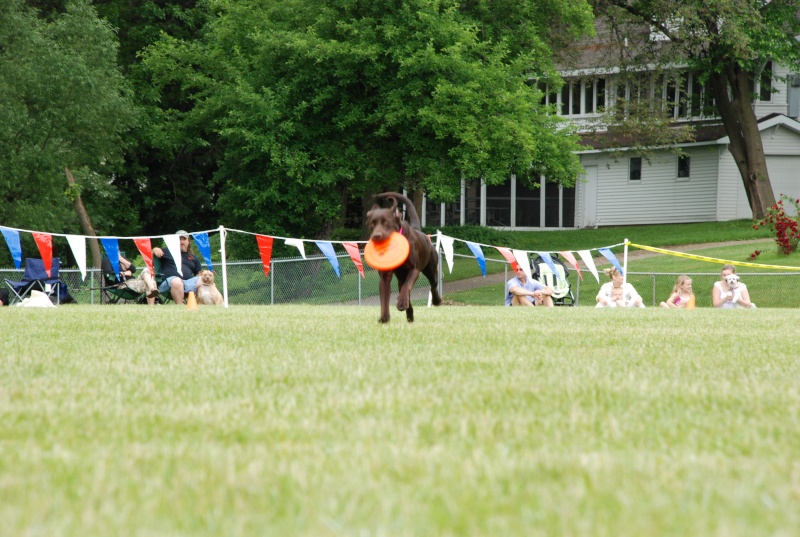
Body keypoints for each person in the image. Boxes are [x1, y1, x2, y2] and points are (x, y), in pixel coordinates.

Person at [152, 230, 202, 305]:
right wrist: (155, 249)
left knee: (204, 280)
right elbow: (149, 255)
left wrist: (204, 276)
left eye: (184, 239)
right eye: (179, 239)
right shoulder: (166, 251)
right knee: (177, 281)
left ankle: (212, 304)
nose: (181, 242)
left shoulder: (193, 258)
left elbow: (199, 273)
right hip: (168, 284)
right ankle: (180, 307)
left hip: (187, 284)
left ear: (188, 241)